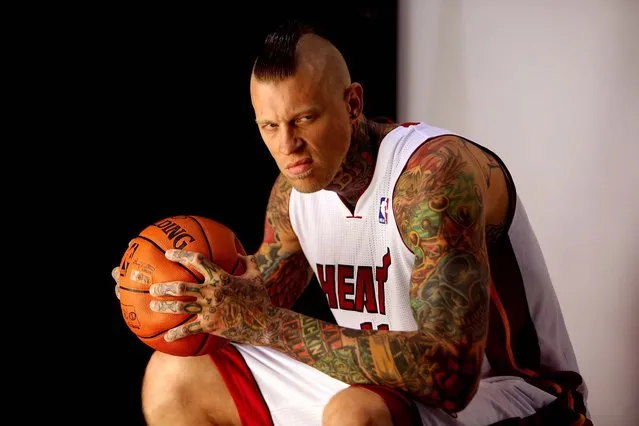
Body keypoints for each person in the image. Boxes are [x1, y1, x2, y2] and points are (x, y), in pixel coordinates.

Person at [113, 21, 591, 426]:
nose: (288, 146)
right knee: (173, 375)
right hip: (381, 387)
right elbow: (254, 299)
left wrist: (263, 322)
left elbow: (451, 377)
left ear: (353, 104)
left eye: (304, 119)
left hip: (522, 396)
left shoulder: (433, 176)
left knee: (354, 412)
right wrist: (163, 292)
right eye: (270, 126)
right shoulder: (293, 192)